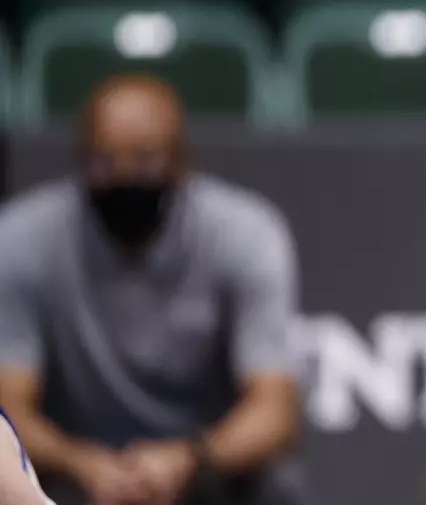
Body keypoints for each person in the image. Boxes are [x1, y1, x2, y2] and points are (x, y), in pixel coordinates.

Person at [0, 76, 302, 505]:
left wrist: (187, 460)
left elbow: (275, 413)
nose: (125, 177)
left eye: (146, 161)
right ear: (80, 160)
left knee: (278, 486)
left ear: (181, 160)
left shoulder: (246, 233)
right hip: (73, 473)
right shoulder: (21, 239)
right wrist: (81, 463)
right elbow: (9, 410)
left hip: (201, 469)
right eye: (105, 161)